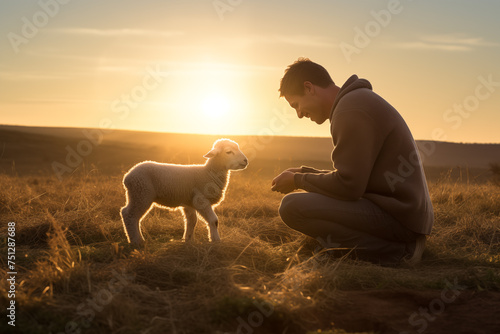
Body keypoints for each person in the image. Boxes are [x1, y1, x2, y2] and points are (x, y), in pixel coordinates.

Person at [271, 58, 433, 266]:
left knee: (291, 207)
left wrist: (298, 180)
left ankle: (396, 252)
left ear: (309, 87)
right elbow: (353, 177)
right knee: (301, 201)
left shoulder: (350, 110)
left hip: (399, 219)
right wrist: (303, 172)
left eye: (296, 105)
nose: (299, 114)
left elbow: (349, 187)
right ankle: (349, 248)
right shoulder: (355, 102)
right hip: (404, 215)